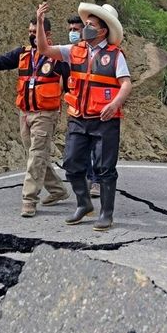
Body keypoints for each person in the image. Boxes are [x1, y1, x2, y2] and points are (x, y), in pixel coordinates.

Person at [36, 1, 132, 231]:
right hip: (78, 117)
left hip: (105, 120)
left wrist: (114, 103)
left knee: (105, 168)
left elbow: (126, 84)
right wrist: (40, 22)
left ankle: (106, 214)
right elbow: (44, 50)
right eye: (85, 23)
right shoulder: (75, 50)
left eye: (90, 24)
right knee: (71, 163)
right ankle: (83, 204)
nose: (85, 27)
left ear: (103, 30)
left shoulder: (115, 55)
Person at [0, 18, 70, 217]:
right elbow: (1, 62)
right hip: (25, 113)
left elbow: (72, 83)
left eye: (36, 31)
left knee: (37, 155)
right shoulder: (23, 53)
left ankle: (29, 200)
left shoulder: (58, 57)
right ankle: (58, 190)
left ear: (48, 35)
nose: (32, 35)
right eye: (30, 31)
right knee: (35, 155)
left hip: (46, 114)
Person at [67, 15, 100, 198]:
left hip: (96, 109)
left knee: (96, 147)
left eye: (76, 29)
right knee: (77, 150)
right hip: (77, 109)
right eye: (71, 29)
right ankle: (88, 177)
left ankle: (96, 180)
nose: (73, 33)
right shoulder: (71, 52)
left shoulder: (99, 52)